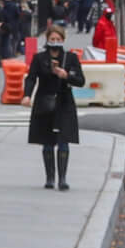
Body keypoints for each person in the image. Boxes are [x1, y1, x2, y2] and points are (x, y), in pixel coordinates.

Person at [27, 25, 84, 190]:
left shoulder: (70, 58)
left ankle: (63, 178)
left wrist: (67, 75)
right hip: (45, 102)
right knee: (47, 141)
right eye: (52, 39)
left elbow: (81, 80)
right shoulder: (39, 58)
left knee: (64, 140)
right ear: (47, 39)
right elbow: (31, 78)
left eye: (58, 39)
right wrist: (27, 95)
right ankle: (50, 178)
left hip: (64, 102)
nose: (55, 42)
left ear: (63, 40)